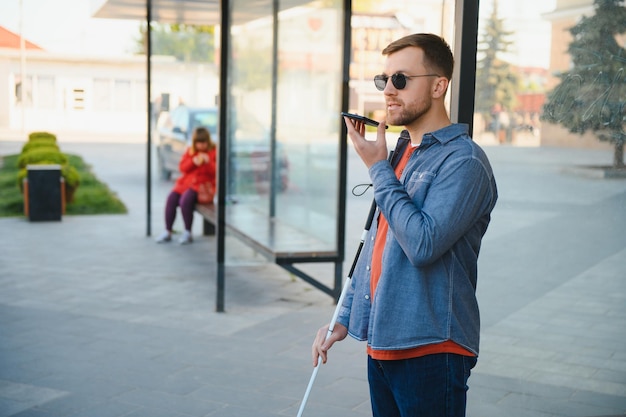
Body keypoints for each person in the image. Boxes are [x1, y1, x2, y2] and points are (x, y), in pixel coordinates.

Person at [311, 33, 498, 417]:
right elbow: (377, 245)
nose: (388, 91)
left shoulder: (464, 162)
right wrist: (342, 318)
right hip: (384, 341)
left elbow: (423, 244)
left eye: (400, 79)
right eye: (384, 80)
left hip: (431, 347)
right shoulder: (400, 154)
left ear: (438, 85)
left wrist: (377, 169)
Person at [156, 126, 216, 245]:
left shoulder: (213, 151)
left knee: (185, 201)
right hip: (185, 183)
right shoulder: (190, 151)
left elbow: (215, 172)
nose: (201, 146)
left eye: (204, 143)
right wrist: (193, 162)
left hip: (202, 186)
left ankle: (187, 231)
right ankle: (168, 230)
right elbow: (182, 168)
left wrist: (208, 162)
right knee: (171, 198)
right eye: (199, 143)